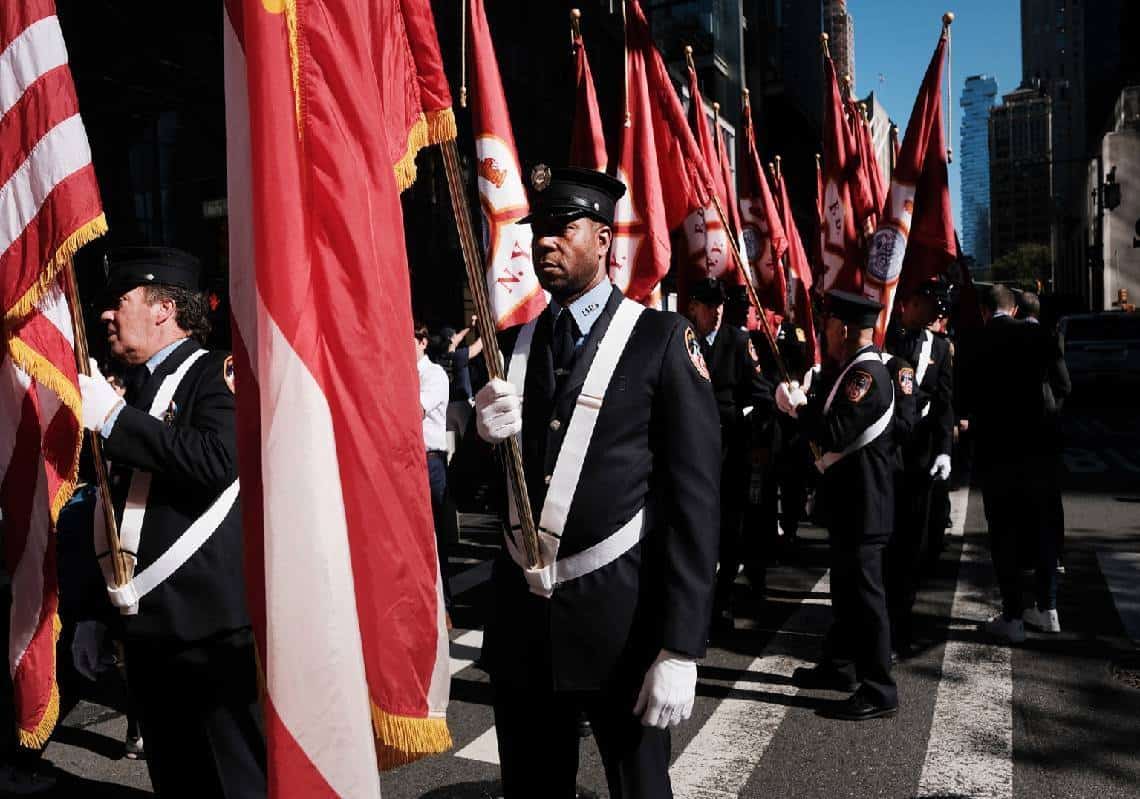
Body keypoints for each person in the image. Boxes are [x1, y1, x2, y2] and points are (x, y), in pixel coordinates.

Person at [473, 165, 721, 798]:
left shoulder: (660, 339)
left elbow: (693, 500)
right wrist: (479, 439)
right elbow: (487, 500)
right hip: (525, 626)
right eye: (538, 232)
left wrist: (681, 646)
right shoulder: (509, 346)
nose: (544, 243)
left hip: (622, 623)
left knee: (639, 788)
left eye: (562, 228)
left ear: (605, 240)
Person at [76, 246, 266, 797]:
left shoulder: (217, 372)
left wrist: (113, 419)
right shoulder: (127, 388)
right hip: (144, 625)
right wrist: (93, 611)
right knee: (176, 779)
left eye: (121, 301)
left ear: (163, 308)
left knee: (234, 781)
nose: (106, 314)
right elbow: (109, 505)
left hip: (209, 626)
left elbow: (214, 460)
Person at [776, 290, 898, 721]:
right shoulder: (853, 368)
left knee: (866, 600)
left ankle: (880, 689)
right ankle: (841, 667)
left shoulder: (864, 375)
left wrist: (797, 408)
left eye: (828, 322)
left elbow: (834, 432)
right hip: (850, 503)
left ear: (844, 329)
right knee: (846, 594)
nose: (823, 330)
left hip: (865, 504)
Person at [966, 285, 1068, 641]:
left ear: (986, 310)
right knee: (1043, 530)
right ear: (1012, 310)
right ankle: (1048, 608)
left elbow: (964, 397)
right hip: (1038, 450)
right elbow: (1064, 385)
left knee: (1004, 534)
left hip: (997, 452)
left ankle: (1013, 616)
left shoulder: (976, 340)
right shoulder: (1041, 336)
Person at [686, 277, 774, 633]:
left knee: (728, 534)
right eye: (709, 305)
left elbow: (762, 397)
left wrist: (738, 419)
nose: (717, 311)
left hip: (728, 454)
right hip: (690, 455)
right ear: (693, 306)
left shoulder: (739, 342)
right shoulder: (680, 339)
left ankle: (721, 603)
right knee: (692, 533)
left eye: (720, 304)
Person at [883, 279, 954, 656]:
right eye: (925, 302)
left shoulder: (940, 348)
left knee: (912, 546)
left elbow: (944, 403)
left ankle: (900, 624)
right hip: (888, 454)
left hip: (921, 458)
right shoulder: (887, 339)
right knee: (883, 542)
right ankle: (877, 625)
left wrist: (944, 449)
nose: (933, 310)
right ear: (907, 304)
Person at [1019, 291, 1069, 575]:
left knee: (1026, 491)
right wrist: (1052, 408)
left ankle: (1029, 551)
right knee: (1050, 494)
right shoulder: (1049, 339)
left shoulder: (1007, 339)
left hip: (1019, 428)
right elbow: (1065, 385)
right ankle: (1055, 553)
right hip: (1046, 427)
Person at [416, 321, 455, 624]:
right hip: (407, 461)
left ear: (423, 342)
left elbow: (415, 410)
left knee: (435, 538)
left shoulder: (434, 374)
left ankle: (446, 606)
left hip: (430, 462)